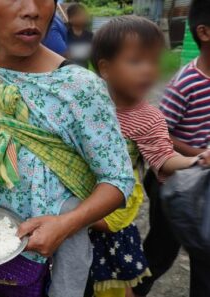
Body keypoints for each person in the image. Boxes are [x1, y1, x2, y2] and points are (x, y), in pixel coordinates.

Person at [0, 1, 135, 296]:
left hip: (54, 268)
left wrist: (65, 225)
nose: (32, 10)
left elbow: (118, 180)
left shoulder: (79, 88)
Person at [89, 15, 210, 297]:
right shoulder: (86, 100)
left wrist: (197, 160)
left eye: (154, 62)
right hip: (74, 201)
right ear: (105, 68)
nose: (148, 71)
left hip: (111, 214)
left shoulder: (148, 118)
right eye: (136, 61)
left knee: (115, 283)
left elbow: (163, 157)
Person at [133, 1, 210, 297]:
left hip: (203, 179)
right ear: (204, 32)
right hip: (174, 182)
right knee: (161, 252)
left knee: (204, 252)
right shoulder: (186, 82)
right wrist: (196, 154)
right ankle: (130, 288)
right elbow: (156, 131)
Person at [66, 3, 93, 68]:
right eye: (79, 15)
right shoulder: (65, 34)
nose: (83, 17)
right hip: (68, 70)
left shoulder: (90, 35)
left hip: (84, 70)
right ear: (70, 18)